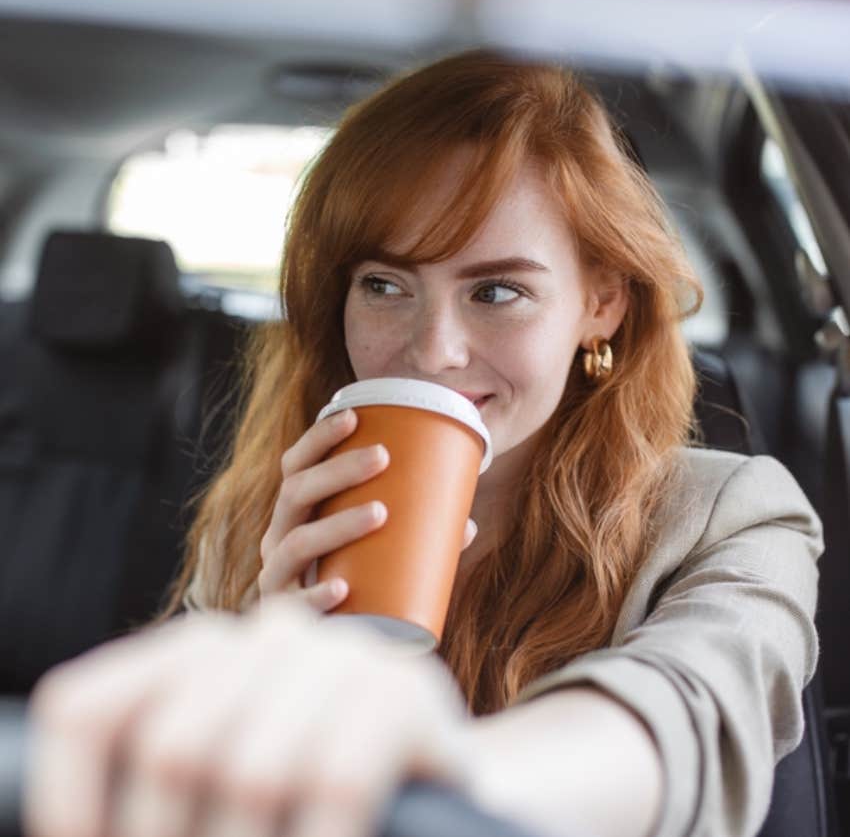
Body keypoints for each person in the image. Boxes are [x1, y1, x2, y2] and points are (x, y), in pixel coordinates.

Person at [24, 50, 822, 837]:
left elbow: (679, 719)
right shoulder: (268, 520)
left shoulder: (733, 519)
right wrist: (260, 638)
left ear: (601, 304)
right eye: (385, 285)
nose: (433, 348)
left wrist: (445, 775)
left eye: (497, 290)